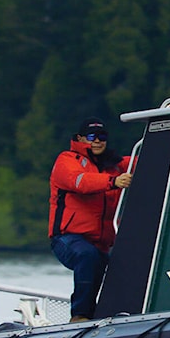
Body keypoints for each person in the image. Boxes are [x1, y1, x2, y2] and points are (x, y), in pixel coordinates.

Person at [48, 117, 132, 322]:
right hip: (67, 237)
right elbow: (79, 181)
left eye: (102, 136)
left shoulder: (115, 164)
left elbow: (144, 158)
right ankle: (80, 315)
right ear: (80, 138)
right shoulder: (67, 160)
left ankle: (114, 314)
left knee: (122, 266)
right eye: (92, 136)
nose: (97, 141)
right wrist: (113, 182)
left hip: (101, 242)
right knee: (87, 256)